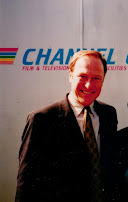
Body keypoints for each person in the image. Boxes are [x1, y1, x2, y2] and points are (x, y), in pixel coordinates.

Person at [15, 50, 118, 202]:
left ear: (103, 80)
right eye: (83, 76)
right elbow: (26, 183)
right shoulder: (41, 119)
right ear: (70, 75)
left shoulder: (108, 114)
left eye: (97, 78)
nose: (89, 84)